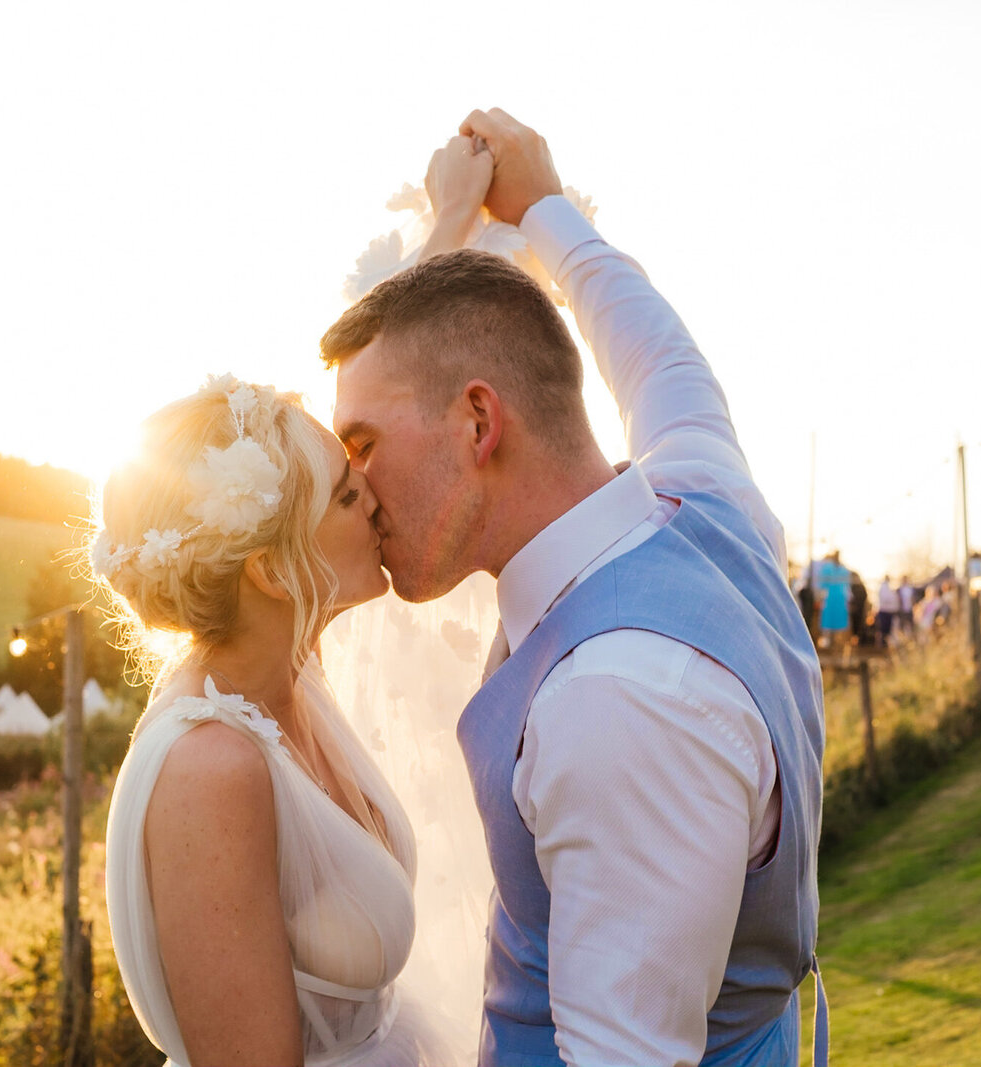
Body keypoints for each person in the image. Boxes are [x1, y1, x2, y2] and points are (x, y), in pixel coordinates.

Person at [322, 109, 827, 1067]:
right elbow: (660, 353)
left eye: (363, 444)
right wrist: (544, 206)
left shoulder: (617, 704)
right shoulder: (702, 491)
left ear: (478, 419)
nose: (351, 486)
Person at [89, 377, 463, 1065]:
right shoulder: (210, 769)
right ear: (270, 570)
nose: (377, 498)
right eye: (348, 495)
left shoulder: (294, 675)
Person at [875, 575, 899, 647]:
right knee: (883, 628)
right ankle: (882, 643)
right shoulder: (883, 588)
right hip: (884, 611)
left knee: (886, 628)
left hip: (888, 611)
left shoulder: (889, 587)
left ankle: (885, 643)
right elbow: (886, 599)